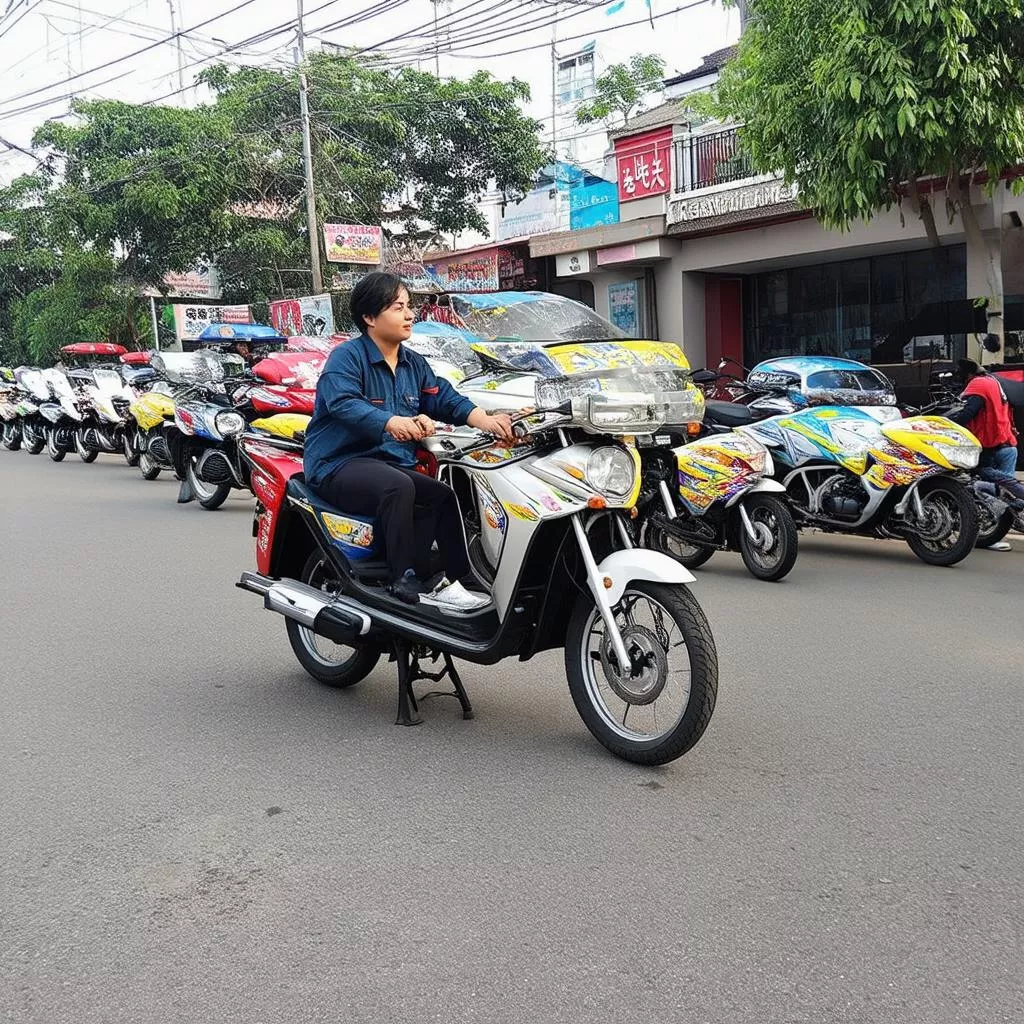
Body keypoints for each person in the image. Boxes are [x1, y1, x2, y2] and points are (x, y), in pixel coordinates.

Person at [303, 272, 517, 612]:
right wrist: (392, 422)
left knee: (442, 495)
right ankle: (402, 576)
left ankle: (458, 578)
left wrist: (486, 420)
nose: (409, 314)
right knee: (399, 488)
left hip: (386, 465)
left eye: (409, 306)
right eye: (398, 307)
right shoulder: (346, 358)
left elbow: (443, 398)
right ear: (370, 318)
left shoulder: (413, 364)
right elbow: (342, 404)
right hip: (337, 464)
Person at [948, 358, 1024, 550]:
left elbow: (967, 414)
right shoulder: (994, 382)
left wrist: (946, 423)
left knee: (976, 483)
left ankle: (994, 532)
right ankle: (1012, 512)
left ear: (968, 374)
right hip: (1009, 445)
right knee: (1003, 489)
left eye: (960, 375)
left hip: (990, 447)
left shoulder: (977, 385)